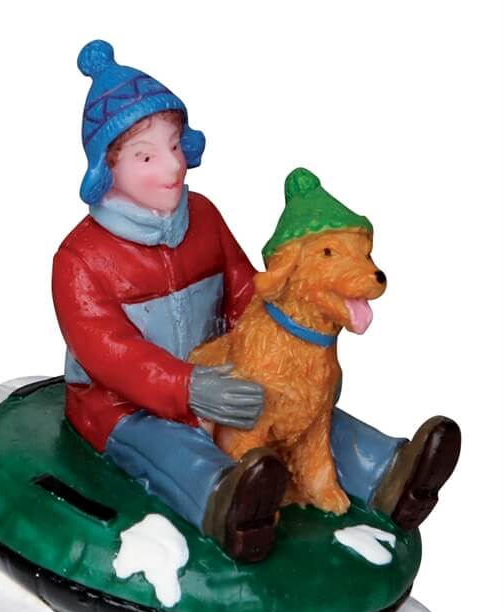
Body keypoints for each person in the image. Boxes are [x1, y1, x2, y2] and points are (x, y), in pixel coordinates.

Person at [51, 40, 460, 562]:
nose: (172, 167)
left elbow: (247, 292)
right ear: (106, 169)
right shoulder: (80, 259)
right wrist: (188, 388)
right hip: (123, 407)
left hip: (225, 371)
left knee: (302, 414)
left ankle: (388, 472)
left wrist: (287, 356)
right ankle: (231, 500)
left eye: (175, 146)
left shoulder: (204, 218)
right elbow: (110, 353)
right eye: (146, 156)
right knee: (172, 448)